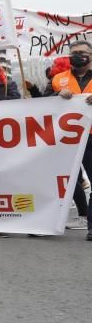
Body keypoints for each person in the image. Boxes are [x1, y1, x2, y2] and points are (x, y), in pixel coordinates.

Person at [48, 40, 92, 241]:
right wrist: (56, 95)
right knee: (63, 180)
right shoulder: (58, 79)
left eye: (83, 52)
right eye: (74, 52)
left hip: (90, 136)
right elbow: (42, 102)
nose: (78, 55)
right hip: (66, 139)